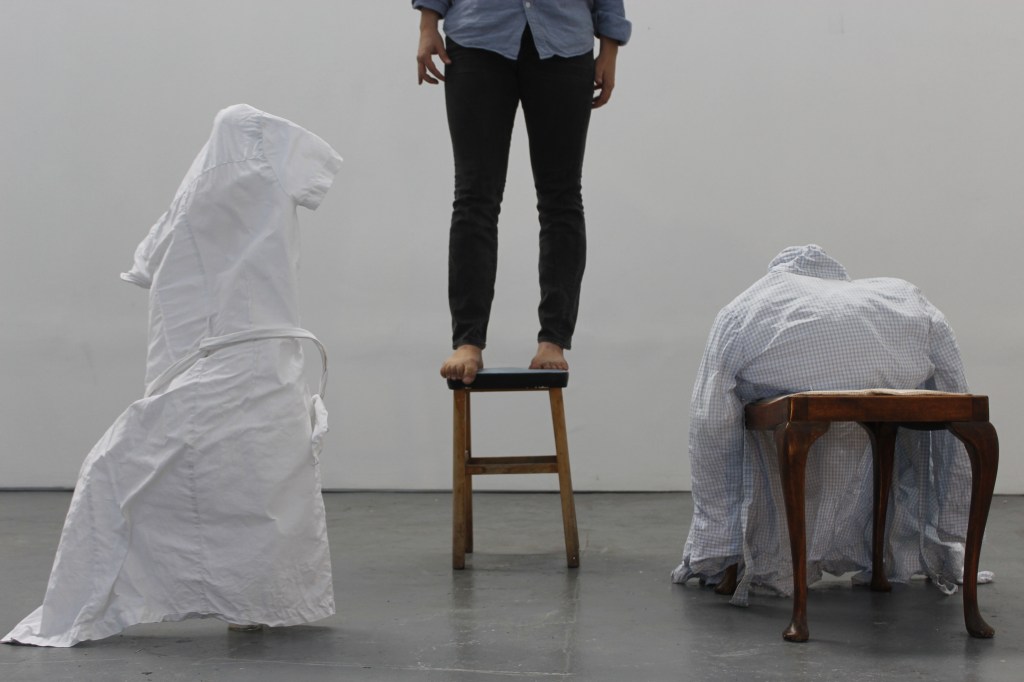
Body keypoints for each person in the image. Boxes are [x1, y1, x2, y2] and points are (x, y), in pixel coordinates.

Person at [3, 105, 341, 646]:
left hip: (248, 358)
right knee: (253, 478)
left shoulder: (206, 187)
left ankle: (253, 597)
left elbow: (150, 259)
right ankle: (254, 598)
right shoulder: (212, 186)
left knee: (249, 479)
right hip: (237, 360)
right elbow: (156, 261)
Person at [672, 244, 976, 605]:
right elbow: (956, 397)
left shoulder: (747, 306)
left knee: (751, 418)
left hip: (793, 428)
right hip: (884, 418)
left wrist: (716, 534)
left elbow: (709, 420)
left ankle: (774, 569)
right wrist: (952, 517)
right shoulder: (903, 297)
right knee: (893, 427)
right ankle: (887, 559)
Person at [413, 0, 631, 384]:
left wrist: (610, 46)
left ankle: (553, 340)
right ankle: (468, 341)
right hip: (478, 36)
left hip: (565, 39)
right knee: (474, 197)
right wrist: (427, 23)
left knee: (561, 197)